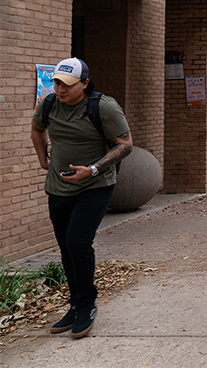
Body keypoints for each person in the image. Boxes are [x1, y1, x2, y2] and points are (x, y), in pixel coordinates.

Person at [31, 57, 134, 339]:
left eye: (67, 84)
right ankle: (75, 304)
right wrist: (43, 159)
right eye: (57, 83)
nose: (60, 89)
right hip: (58, 187)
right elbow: (37, 128)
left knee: (78, 242)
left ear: (85, 84)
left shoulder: (103, 107)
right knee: (66, 247)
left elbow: (125, 145)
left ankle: (87, 304)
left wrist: (92, 169)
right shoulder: (49, 104)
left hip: (95, 185)